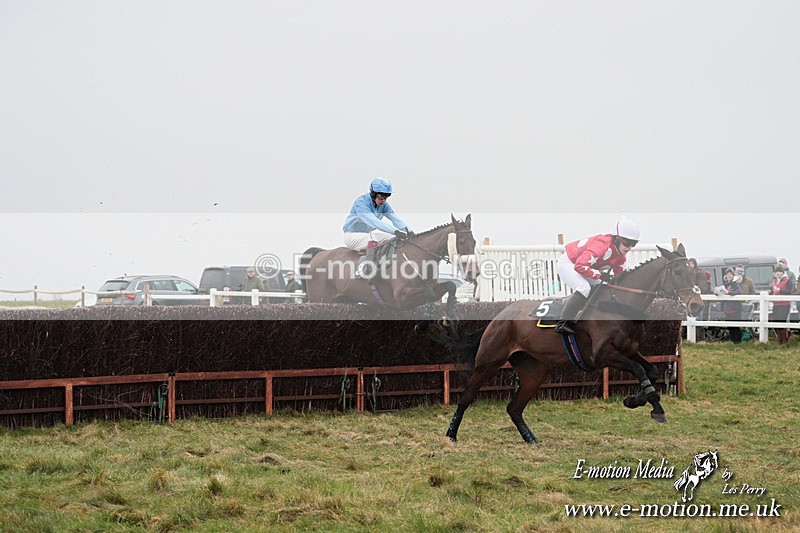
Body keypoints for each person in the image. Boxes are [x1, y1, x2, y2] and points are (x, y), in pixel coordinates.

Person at [554, 217, 640, 335]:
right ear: (616, 238)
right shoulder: (601, 246)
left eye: (633, 244)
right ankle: (562, 323)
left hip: (585, 266)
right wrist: (600, 275)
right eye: (627, 243)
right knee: (584, 288)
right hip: (569, 263)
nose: (629, 247)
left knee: (602, 288)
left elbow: (620, 277)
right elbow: (579, 266)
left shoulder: (621, 256)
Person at [343, 177, 414, 279]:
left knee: (392, 238)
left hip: (367, 235)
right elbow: (374, 222)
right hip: (352, 237)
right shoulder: (361, 203)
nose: (383, 200)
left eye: (386, 197)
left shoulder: (384, 205)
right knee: (376, 236)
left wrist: (410, 231)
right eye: (381, 197)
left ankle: (385, 266)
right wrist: (395, 231)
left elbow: (395, 219)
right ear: (373, 193)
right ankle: (367, 269)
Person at [716, 267, 743, 344]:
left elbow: (739, 292)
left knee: (736, 326)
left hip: (735, 309)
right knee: (730, 326)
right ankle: (732, 340)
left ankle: (738, 341)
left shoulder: (736, 284)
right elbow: (721, 293)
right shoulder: (724, 285)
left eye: (730, 274)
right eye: (728, 274)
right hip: (727, 309)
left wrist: (729, 292)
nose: (729, 275)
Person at [771, 265, 793, 344]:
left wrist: (780, 290)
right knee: (775, 321)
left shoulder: (787, 281)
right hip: (775, 304)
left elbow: (790, 292)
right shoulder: (774, 281)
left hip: (784, 304)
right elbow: (771, 291)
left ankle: (784, 340)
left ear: (783, 273)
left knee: (781, 321)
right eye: (776, 272)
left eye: (779, 272)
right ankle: (779, 340)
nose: (778, 273)